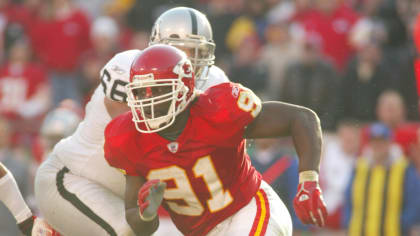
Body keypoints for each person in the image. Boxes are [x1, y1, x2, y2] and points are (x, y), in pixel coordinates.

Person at [34, 7, 230, 236]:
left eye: (198, 52)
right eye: (183, 51)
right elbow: (142, 140)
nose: (190, 62)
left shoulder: (215, 81)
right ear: (158, 46)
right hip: (73, 180)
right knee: (128, 231)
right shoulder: (128, 69)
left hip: (124, 199)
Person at [104, 44, 327, 235]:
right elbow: (136, 218)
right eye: (141, 93)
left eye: (157, 90)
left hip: (248, 209)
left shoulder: (217, 110)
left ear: (183, 89)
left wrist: (309, 180)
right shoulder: (126, 138)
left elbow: (301, 118)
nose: (147, 102)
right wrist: (147, 213)